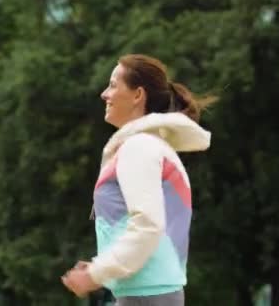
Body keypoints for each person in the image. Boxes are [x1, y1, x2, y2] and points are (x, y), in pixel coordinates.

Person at [62, 54, 214, 305]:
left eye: (113, 85)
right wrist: (105, 266)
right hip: (149, 294)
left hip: (145, 297)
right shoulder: (151, 147)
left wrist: (96, 274)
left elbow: (147, 226)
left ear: (137, 95)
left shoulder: (139, 147)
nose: (104, 94)